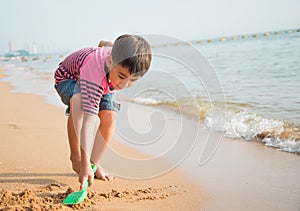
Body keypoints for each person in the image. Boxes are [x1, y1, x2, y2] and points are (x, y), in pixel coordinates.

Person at [54, 34, 152, 189]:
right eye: (122, 76)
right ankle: (76, 158)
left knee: (109, 118)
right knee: (78, 103)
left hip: (106, 80)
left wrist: (90, 165)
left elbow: (102, 43)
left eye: (132, 80)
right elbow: (89, 122)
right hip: (68, 77)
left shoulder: (117, 55)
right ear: (109, 60)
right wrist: (83, 163)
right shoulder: (93, 73)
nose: (124, 85)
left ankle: (94, 165)